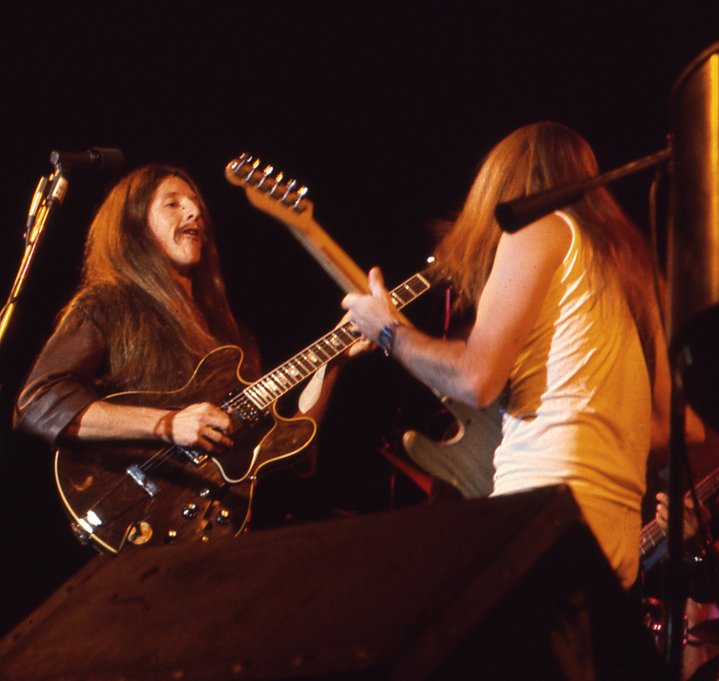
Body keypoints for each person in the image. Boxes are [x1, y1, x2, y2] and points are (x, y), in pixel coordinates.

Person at [343, 121, 703, 590]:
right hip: (617, 541)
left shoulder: (537, 228)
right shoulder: (635, 271)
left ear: (499, 186)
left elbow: (476, 379)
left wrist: (387, 329)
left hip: (544, 514)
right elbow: (681, 429)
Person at [15, 164, 346, 493]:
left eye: (195, 203)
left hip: (217, 528)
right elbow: (39, 401)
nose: (194, 211)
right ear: (134, 226)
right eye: (172, 203)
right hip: (134, 504)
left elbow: (292, 452)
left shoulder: (230, 335)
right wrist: (168, 425)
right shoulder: (107, 304)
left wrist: (336, 358)